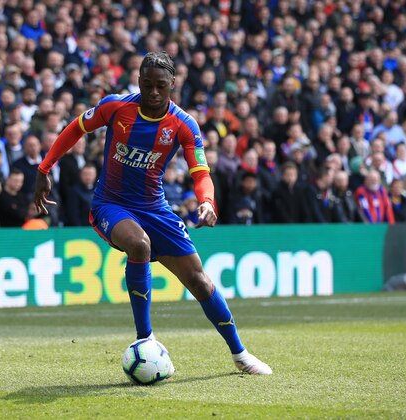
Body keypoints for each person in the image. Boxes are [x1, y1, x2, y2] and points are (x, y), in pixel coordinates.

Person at [33, 52, 271, 375]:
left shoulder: (183, 125)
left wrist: (207, 202)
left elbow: (201, 172)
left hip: (155, 208)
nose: (154, 92)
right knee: (139, 245)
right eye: (147, 85)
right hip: (111, 204)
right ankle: (145, 338)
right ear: (139, 82)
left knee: (199, 281)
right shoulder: (115, 107)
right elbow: (75, 128)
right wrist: (45, 167)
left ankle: (240, 354)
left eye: (161, 86)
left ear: (173, 83)